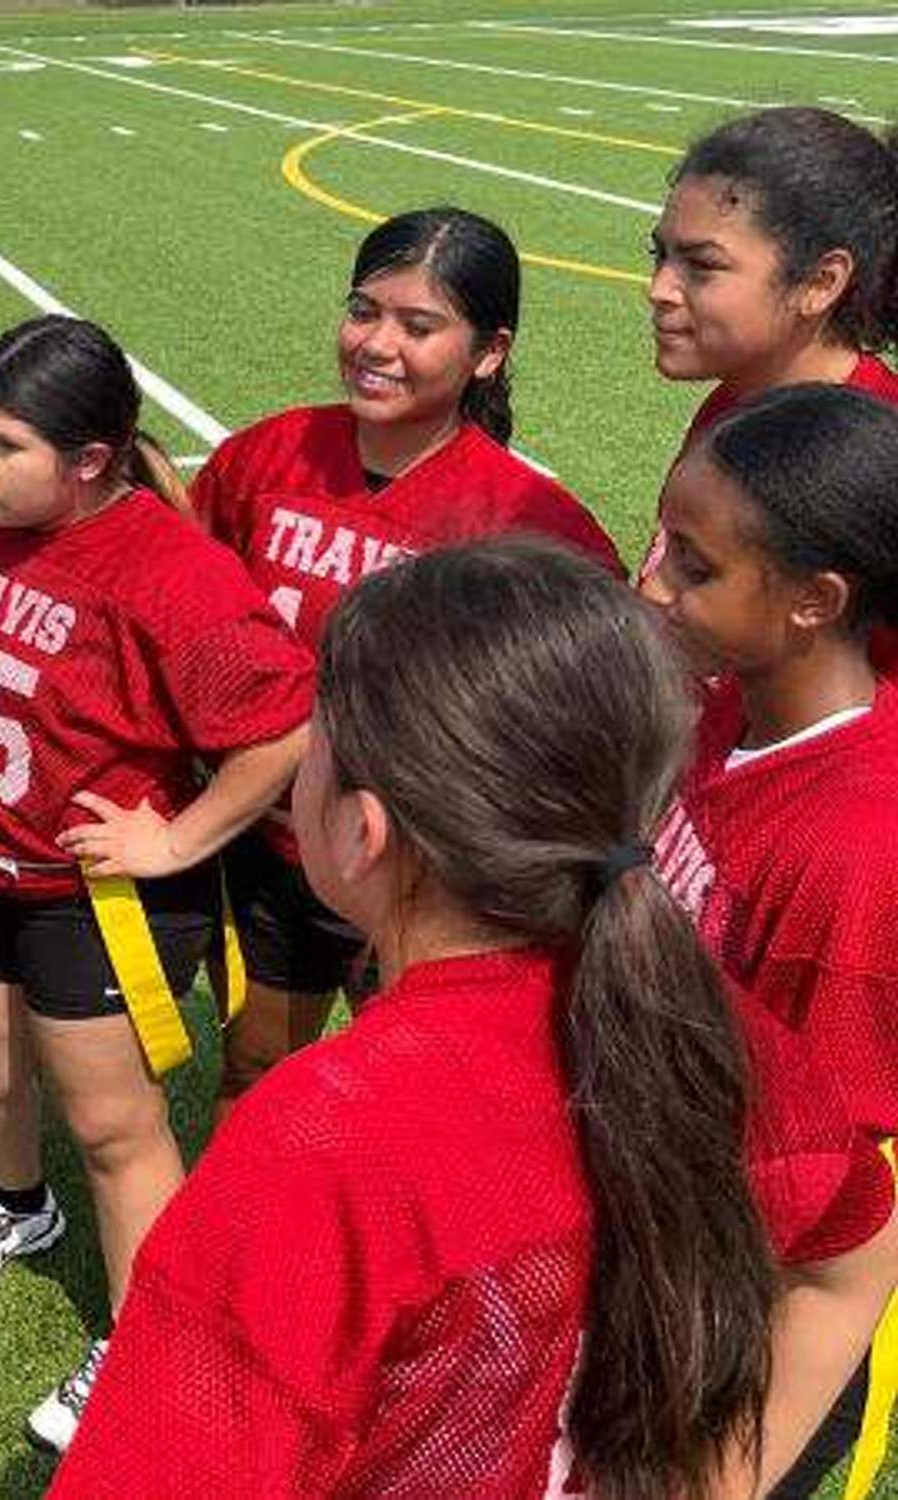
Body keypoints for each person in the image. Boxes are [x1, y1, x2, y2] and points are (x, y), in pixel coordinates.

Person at [53, 538, 898, 1499]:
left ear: (362, 831)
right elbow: (853, 1256)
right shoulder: (708, 1029)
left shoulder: (322, 1146)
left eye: (314, 742)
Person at [0, 314, 312, 1452]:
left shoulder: (170, 571)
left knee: (111, 1129)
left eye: (3, 444)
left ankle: (143, 1337)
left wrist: (180, 840)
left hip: (95, 897)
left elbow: (281, 724)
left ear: (89, 461)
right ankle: (16, 1210)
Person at [188, 207, 619, 1104]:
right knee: (257, 1069)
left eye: (419, 326)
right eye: (363, 311)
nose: (377, 344)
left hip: (436, 870)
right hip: (278, 845)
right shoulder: (266, 456)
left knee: (429, 1095)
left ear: (488, 351)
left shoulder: (528, 524)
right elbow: (185, 606)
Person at [645, 383, 898, 1498]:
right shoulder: (720, 706)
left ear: (813, 599)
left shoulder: (854, 856)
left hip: (739, 1322)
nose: (650, 580)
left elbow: (831, 1229)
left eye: (693, 567)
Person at [644, 107, 898, 679]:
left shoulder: (878, 456)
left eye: (702, 265)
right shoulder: (740, 401)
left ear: (820, 282)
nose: (658, 289)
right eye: (660, 254)